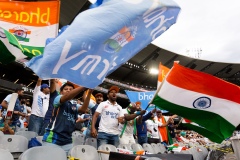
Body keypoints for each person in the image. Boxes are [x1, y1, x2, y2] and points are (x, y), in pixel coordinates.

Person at [42, 83, 92, 153]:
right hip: (52, 140)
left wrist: (89, 93)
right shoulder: (57, 98)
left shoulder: (74, 105)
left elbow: (83, 109)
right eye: (66, 89)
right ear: (61, 92)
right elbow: (67, 96)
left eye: (71, 90)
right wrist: (83, 86)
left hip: (67, 141)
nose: (68, 91)